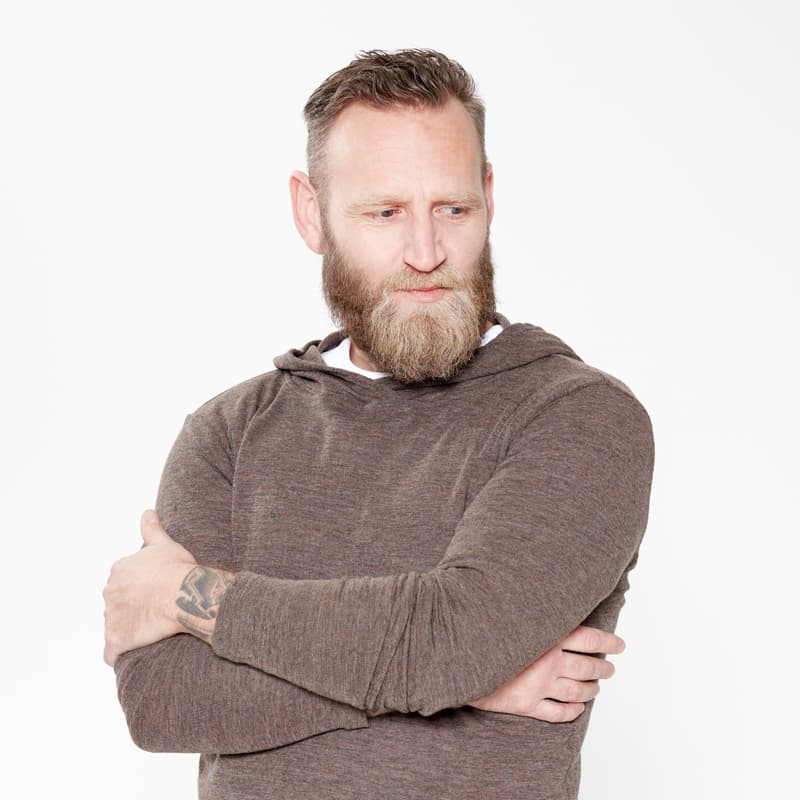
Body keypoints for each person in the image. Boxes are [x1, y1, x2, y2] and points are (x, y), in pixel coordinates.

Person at [103, 48, 655, 799]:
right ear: (312, 213)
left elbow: (453, 641)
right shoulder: (229, 432)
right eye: (385, 212)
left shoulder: (576, 416)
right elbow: (165, 702)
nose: (426, 253)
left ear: (489, 197)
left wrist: (187, 594)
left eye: (452, 208)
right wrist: (462, 684)